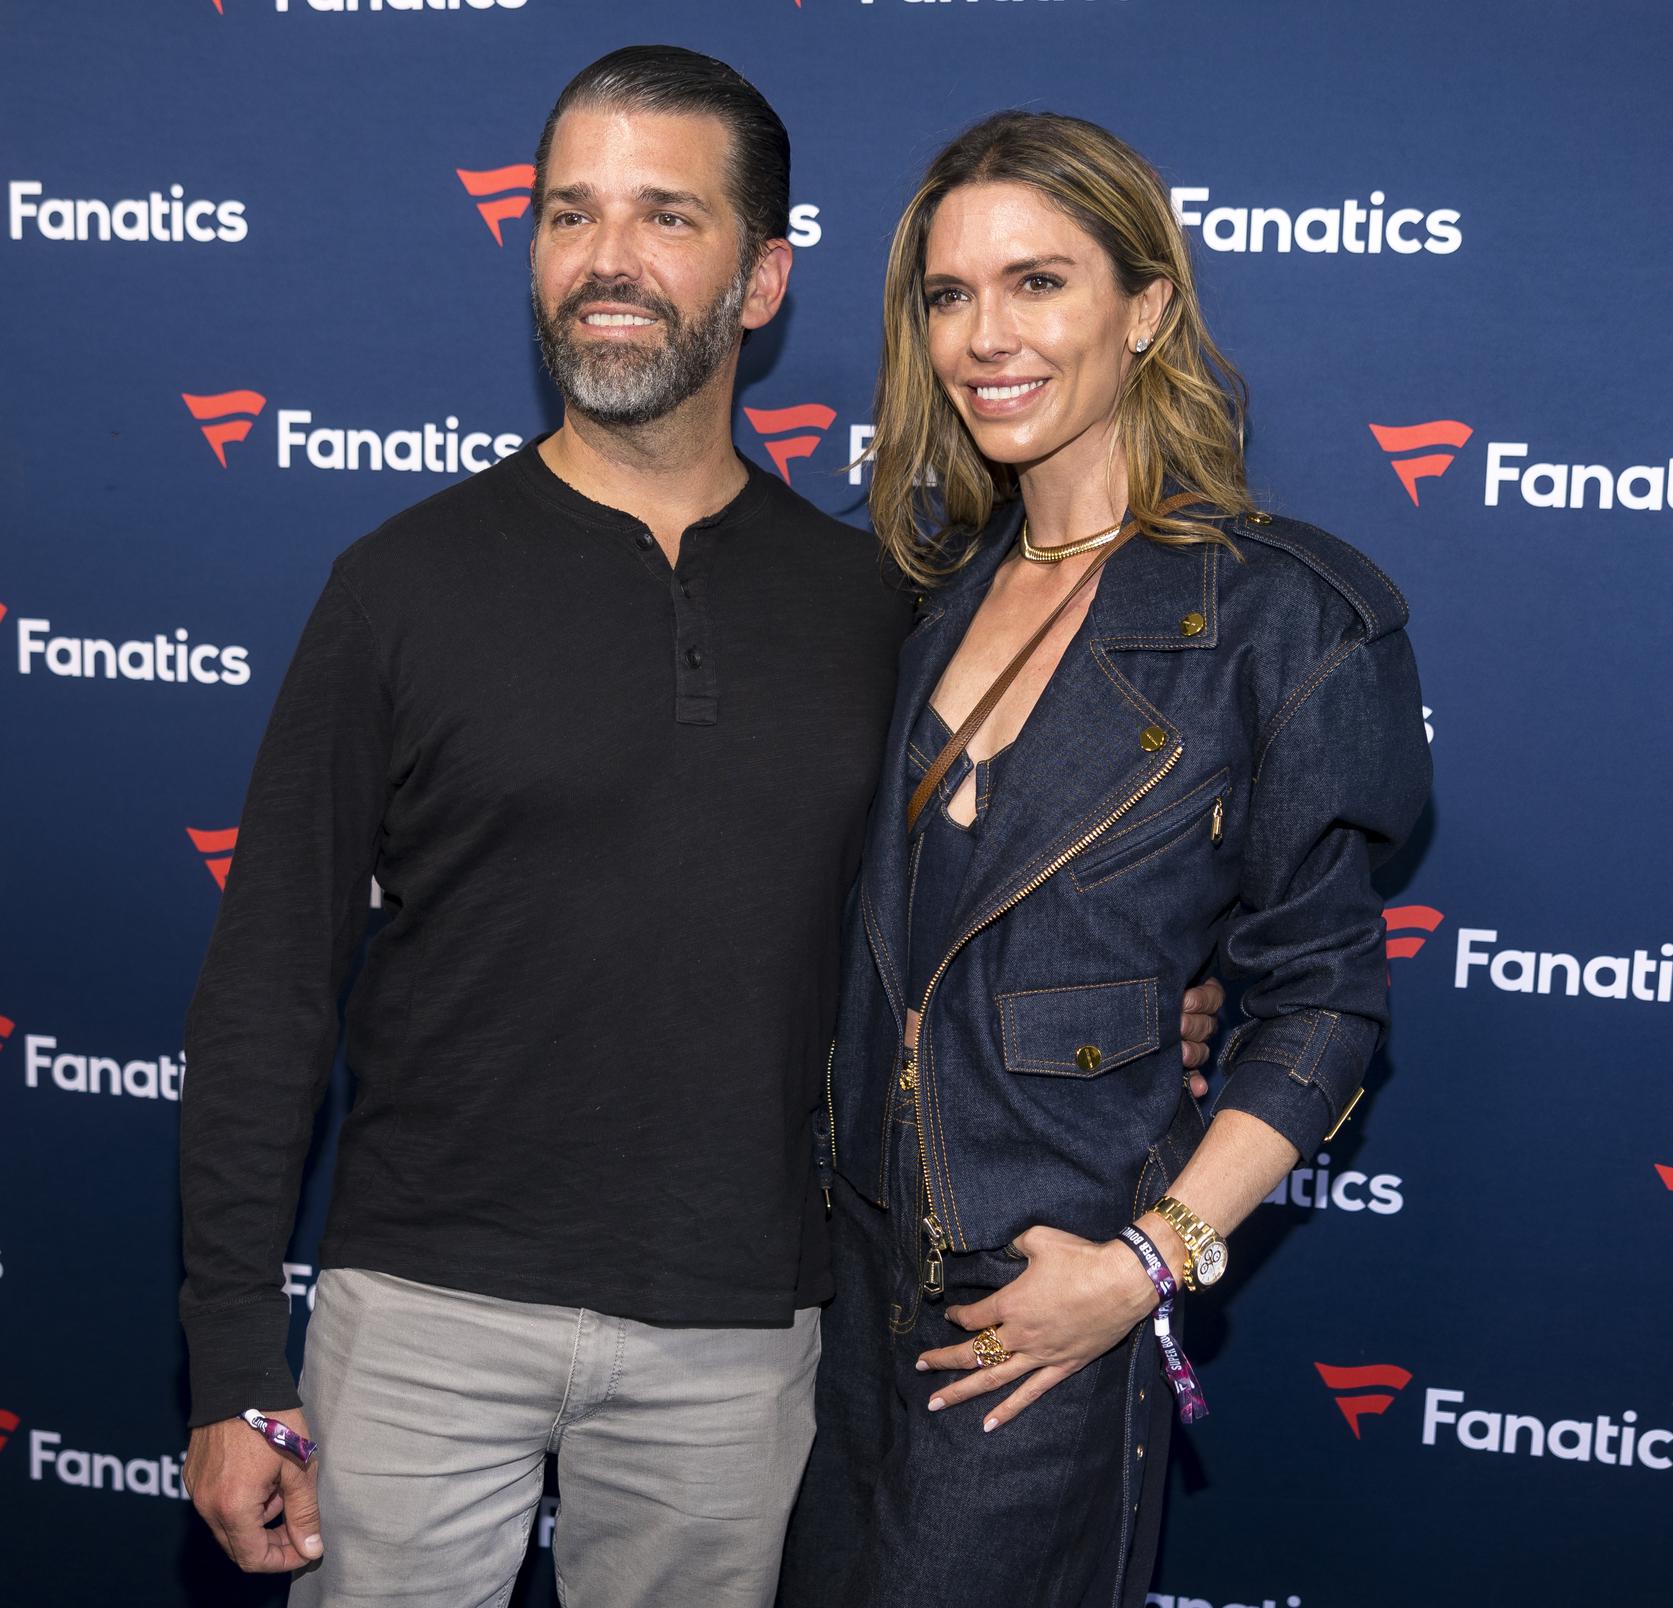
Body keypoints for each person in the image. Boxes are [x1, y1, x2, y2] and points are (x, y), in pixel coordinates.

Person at [173, 51, 1222, 1608]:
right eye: (568, 214)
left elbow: (964, 922)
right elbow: (265, 987)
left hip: (742, 1333)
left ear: (763, 278)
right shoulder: (400, 585)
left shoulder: (883, 611)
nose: (607, 258)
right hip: (419, 1315)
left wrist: (1151, 1011)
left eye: (667, 216)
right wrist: (227, 1369)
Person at [781, 111, 1431, 1608]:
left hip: (1033, 1311)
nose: (985, 337)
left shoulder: (1283, 621)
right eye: (948, 296)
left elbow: (1325, 1002)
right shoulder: (904, 592)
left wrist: (1145, 1265)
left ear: (1145, 311)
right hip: (833, 1299)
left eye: (1039, 283)